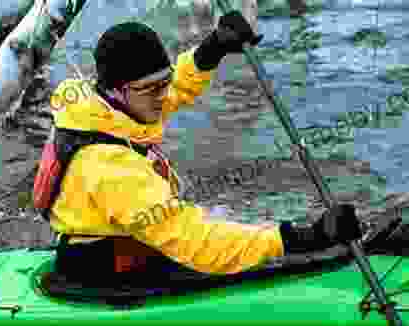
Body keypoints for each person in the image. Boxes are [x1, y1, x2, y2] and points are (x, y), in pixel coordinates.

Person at [33, 11, 363, 285]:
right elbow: (195, 241)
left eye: (165, 81)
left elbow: (171, 88)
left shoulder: (100, 109)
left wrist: (213, 47)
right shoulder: (108, 166)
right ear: (118, 91)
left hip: (113, 241)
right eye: (152, 89)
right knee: (249, 255)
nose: (164, 95)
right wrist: (301, 238)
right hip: (110, 270)